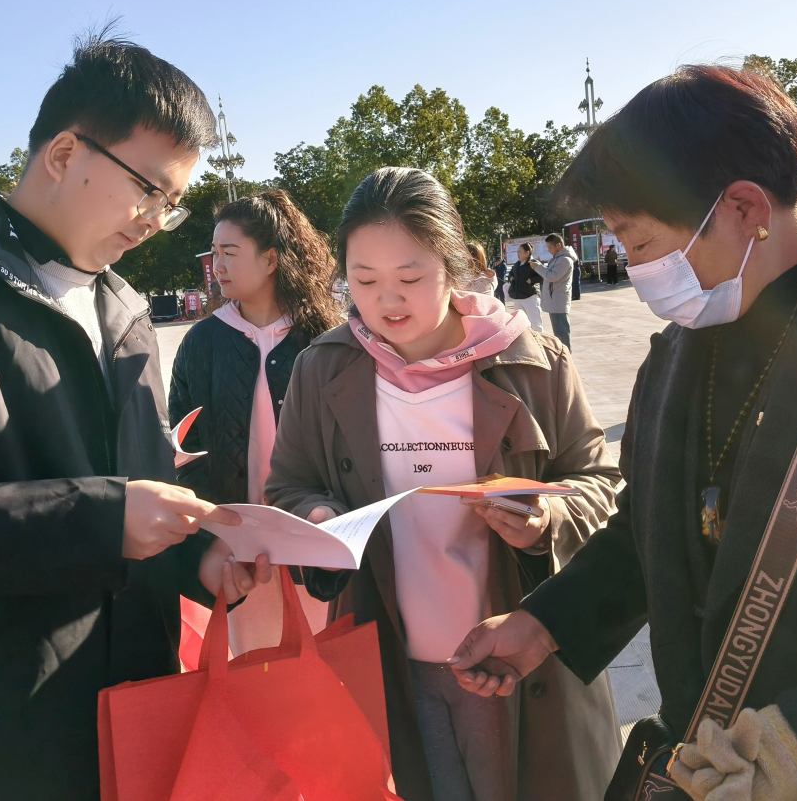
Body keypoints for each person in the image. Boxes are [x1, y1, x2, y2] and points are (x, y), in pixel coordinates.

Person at [450, 65, 797, 800]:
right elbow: (649, 528)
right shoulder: (680, 350)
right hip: (707, 766)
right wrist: (545, 624)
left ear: (744, 207)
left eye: (641, 243)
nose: (636, 271)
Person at [0, 32, 273, 801]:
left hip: (128, 723)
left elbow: (132, 500)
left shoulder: (126, 311)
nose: (156, 220)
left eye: (173, 204)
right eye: (150, 190)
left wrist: (196, 560)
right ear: (64, 153)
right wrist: (102, 519)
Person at [265, 167, 623, 801]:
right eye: (364, 280)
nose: (388, 301)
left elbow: (599, 481)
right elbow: (288, 485)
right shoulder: (322, 370)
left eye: (410, 278)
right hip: (391, 658)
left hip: (516, 656)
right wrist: (317, 517)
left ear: (453, 267)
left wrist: (547, 521)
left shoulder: (532, 362)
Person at [168, 190, 342, 655]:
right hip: (239, 549)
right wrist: (215, 532)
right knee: (255, 667)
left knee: (322, 666)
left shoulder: (323, 337)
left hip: (315, 539)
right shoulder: (202, 342)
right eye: (214, 252)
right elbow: (185, 449)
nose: (216, 265)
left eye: (230, 252)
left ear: (270, 259)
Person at [531, 232, 575, 351]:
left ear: (558, 245)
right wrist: (539, 266)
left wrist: (538, 267)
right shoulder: (558, 259)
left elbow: (553, 276)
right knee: (558, 332)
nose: (549, 250)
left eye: (550, 247)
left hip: (558, 301)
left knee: (561, 333)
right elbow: (549, 273)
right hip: (555, 300)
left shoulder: (565, 260)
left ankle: (565, 356)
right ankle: (563, 355)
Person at [506, 242, 543, 330]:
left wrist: (531, 280)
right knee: (520, 323)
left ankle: (539, 338)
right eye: (517, 252)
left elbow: (542, 275)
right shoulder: (517, 264)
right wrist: (511, 278)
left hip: (530, 297)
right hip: (518, 297)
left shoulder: (533, 263)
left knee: (535, 323)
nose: (517, 254)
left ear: (527, 253)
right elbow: (510, 274)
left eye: (520, 251)